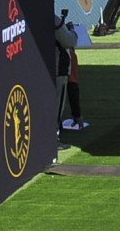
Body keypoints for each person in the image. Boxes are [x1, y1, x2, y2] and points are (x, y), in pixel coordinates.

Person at [54, 8, 77, 150]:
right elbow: (68, 40)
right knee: (56, 105)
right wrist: (72, 32)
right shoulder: (53, 19)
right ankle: (53, 138)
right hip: (57, 69)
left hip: (41, 68)